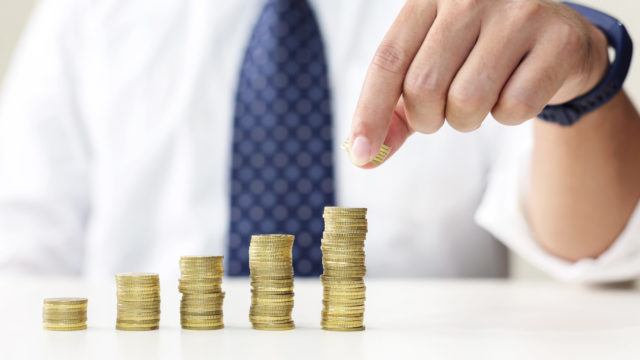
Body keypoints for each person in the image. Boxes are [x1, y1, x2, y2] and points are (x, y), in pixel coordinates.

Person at [0, 0, 638, 281]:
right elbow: (19, 263)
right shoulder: (85, 15)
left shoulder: (476, 12)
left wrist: (581, 82)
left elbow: (592, 252)